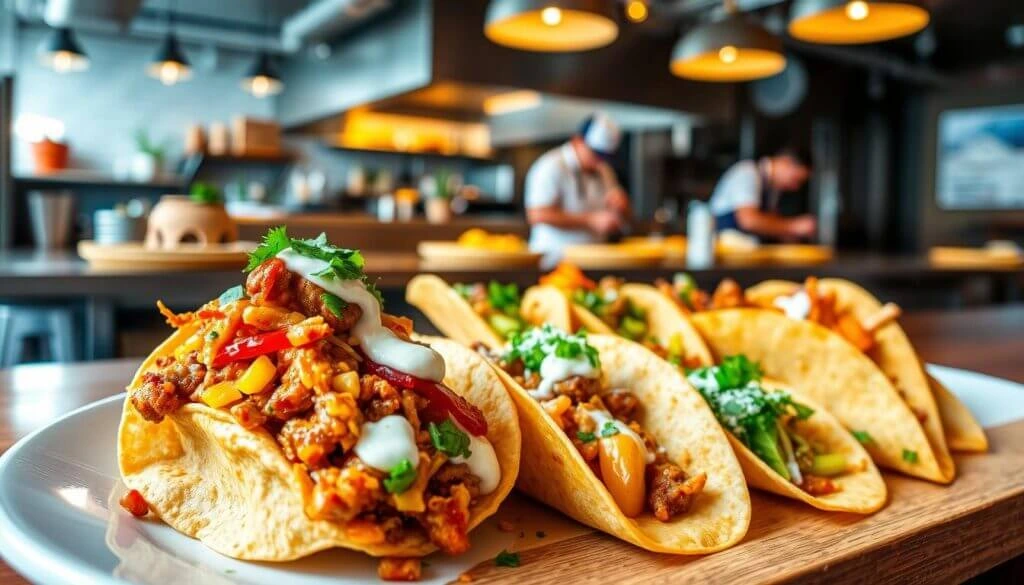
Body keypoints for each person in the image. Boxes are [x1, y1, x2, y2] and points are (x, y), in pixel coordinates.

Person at [524, 112, 631, 268]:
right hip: (554, 263)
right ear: (578, 141)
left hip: (595, 263)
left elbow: (623, 214)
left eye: (605, 157)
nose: (599, 161)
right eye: (596, 154)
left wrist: (622, 206)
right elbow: (537, 214)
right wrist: (590, 221)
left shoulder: (604, 170)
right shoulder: (551, 166)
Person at [708, 148, 817, 241]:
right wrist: (794, 227)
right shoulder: (747, 172)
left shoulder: (772, 189)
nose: (795, 187)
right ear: (785, 162)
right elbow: (748, 221)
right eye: (796, 180)